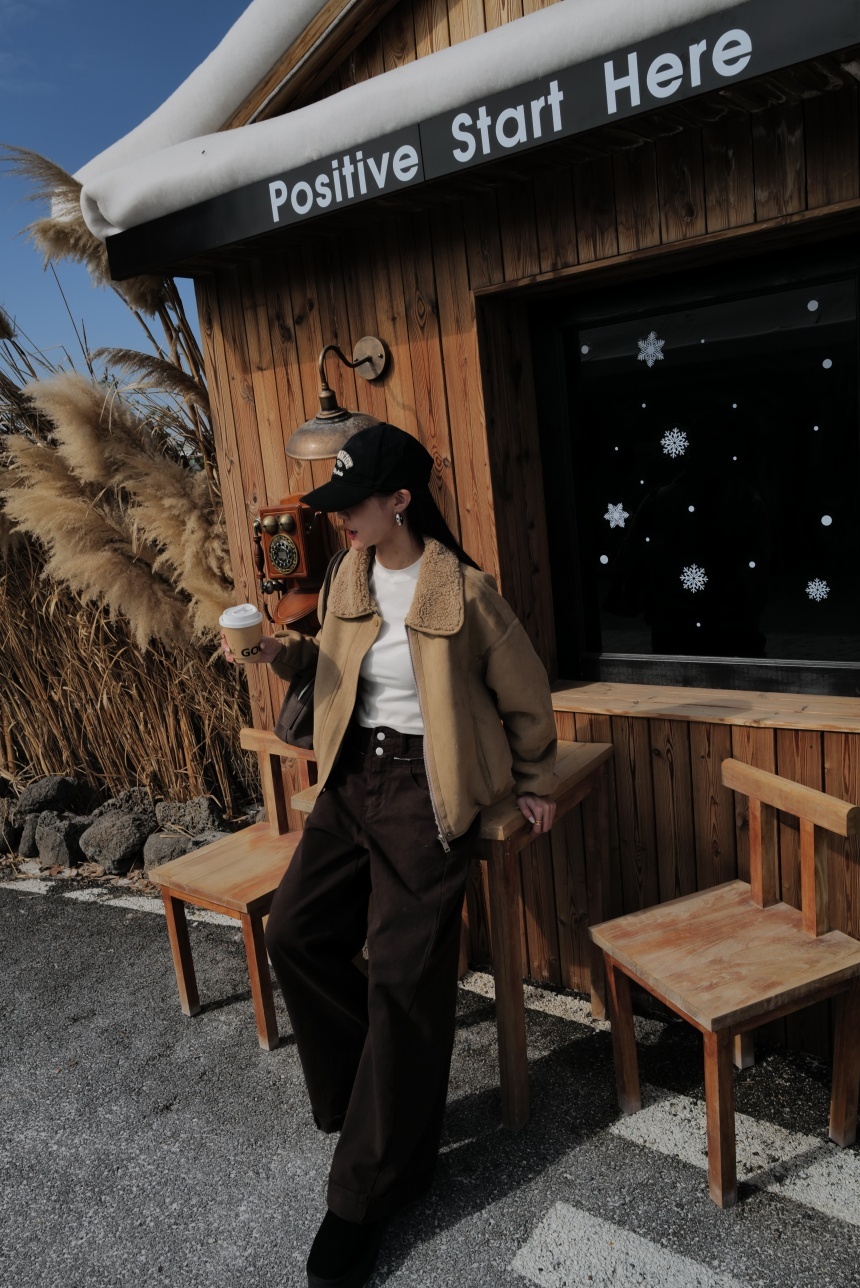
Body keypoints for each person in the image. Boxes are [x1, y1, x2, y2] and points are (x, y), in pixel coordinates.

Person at [222, 422, 558, 1288]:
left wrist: (535, 779)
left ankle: (364, 1197)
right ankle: (370, 1100)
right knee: (296, 933)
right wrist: (273, 650)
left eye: (352, 502)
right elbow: (328, 663)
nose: (339, 517)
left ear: (400, 500)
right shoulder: (349, 572)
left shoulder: (464, 591)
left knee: (403, 981)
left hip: (425, 789)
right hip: (350, 778)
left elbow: (526, 693)